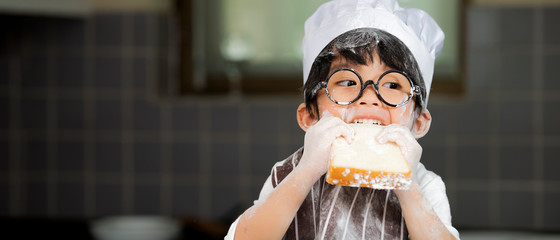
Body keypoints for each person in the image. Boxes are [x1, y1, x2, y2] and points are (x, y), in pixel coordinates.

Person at [225, 0, 459, 239]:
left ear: (419, 122)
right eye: (347, 82)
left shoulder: (424, 185)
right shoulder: (289, 174)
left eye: (392, 84)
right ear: (309, 116)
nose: (369, 98)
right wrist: (305, 173)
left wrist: (407, 186)